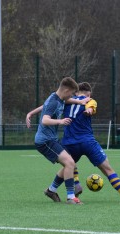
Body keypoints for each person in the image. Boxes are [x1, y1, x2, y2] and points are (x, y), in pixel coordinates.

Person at [27, 82, 120, 203]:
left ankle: (61, 187)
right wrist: (89, 111)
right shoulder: (90, 100)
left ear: (76, 92)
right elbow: (90, 108)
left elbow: (47, 106)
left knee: (68, 165)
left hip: (69, 142)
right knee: (107, 168)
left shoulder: (65, 100)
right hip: (87, 141)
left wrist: (31, 113)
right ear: (89, 93)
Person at [28, 77, 85, 205]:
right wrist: (60, 121)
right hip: (44, 141)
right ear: (66, 90)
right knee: (70, 162)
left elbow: (45, 106)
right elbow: (45, 120)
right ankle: (71, 197)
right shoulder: (54, 101)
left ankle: (51, 190)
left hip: (51, 139)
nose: (71, 96)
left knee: (70, 164)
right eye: (71, 93)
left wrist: (79, 102)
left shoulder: (58, 97)